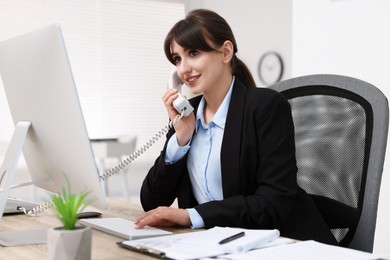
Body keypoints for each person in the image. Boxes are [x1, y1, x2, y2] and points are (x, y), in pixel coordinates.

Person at [135, 9, 337, 245]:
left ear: (226, 51)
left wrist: (190, 216)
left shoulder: (265, 107)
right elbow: (151, 201)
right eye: (177, 59)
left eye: (193, 52)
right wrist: (181, 139)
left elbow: (272, 204)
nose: (183, 68)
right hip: (223, 245)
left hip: (288, 244)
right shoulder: (186, 115)